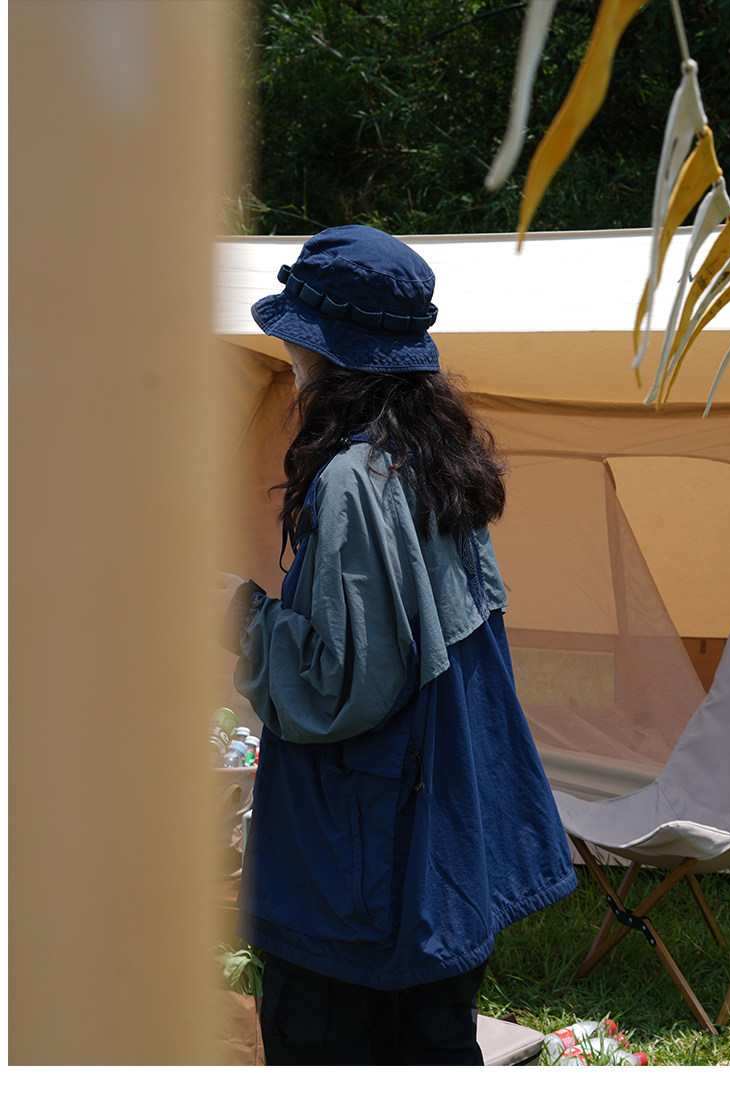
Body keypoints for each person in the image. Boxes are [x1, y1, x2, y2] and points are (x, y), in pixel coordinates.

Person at [221, 225, 576, 1066]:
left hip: (358, 870)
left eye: (296, 336)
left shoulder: (355, 478)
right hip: (436, 843)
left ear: (327, 352)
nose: (288, 352)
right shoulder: (436, 458)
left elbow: (335, 688)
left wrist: (238, 613)